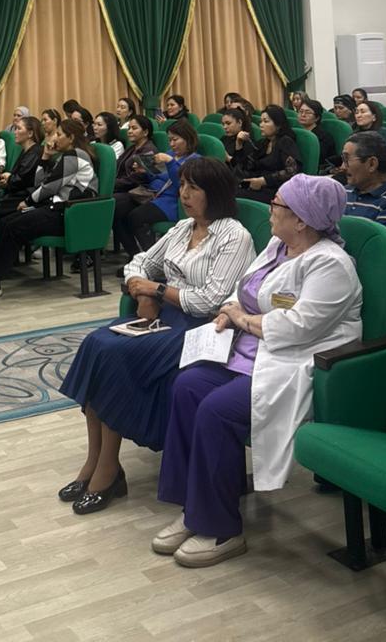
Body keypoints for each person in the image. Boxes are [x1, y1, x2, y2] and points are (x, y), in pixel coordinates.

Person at [152, 173, 362, 566]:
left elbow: (295, 327)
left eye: (277, 204)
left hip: (292, 362)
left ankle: (220, 530)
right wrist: (229, 310)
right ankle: (193, 507)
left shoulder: (330, 265)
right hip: (249, 351)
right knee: (187, 386)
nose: (269, 209)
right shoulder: (279, 245)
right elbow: (246, 288)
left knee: (216, 410)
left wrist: (242, 320)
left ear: (302, 219)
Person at [56, 158, 255, 514]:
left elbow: (210, 300)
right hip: (165, 315)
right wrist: (141, 290)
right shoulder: (182, 228)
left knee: (113, 355)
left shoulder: (233, 236)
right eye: (182, 186)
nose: (184, 194)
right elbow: (139, 262)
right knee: (96, 343)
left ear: (215, 193)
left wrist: (158, 290)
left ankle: (107, 470)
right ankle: (95, 461)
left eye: (193, 188)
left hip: (202, 327)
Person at [0, 118, 98, 296]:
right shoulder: (65, 156)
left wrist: (28, 202)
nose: (55, 138)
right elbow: (40, 182)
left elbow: (49, 187)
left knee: (13, 226)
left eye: (59, 134)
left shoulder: (75, 156)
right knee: (6, 221)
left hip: (70, 214)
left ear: (71, 138)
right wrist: (45, 157)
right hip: (57, 208)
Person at [112, 120, 200, 257]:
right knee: (115, 211)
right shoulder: (170, 154)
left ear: (188, 139)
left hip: (171, 202)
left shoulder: (195, 160)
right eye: (169, 140)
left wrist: (170, 162)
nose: (171, 144)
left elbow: (180, 185)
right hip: (151, 194)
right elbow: (157, 176)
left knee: (136, 217)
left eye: (175, 140)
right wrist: (145, 170)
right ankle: (135, 255)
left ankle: (153, 258)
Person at [235, 105, 302, 202]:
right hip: (259, 186)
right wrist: (239, 144)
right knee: (228, 189)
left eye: (266, 121)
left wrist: (264, 181)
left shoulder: (285, 142)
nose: (261, 125)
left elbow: (292, 171)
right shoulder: (263, 143)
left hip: (278, 190)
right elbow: (247, 167)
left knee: (234, 195)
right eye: (261, 121)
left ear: (278, 125)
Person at [0, 116, 45, 222]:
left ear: (30, 133)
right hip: (17, 193)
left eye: (19, 129)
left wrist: (9, 178)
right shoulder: (26, 150)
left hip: (24, 197)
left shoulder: (35, 152)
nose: (15, 132)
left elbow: (21, 180)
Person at [296, 97, 339, 171]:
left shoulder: (324, 137)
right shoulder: (297, 134)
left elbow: (319, 160)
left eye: (307, 112)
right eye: (300, 111)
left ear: (317, 118)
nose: (303, 115)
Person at [221, 108, 255, 176]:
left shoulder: (247, 142)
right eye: (223, 124)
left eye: (228, 123)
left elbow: (244, 169)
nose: (224, 127)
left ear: (239, 122)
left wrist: (228, 158)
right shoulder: (223, 139)